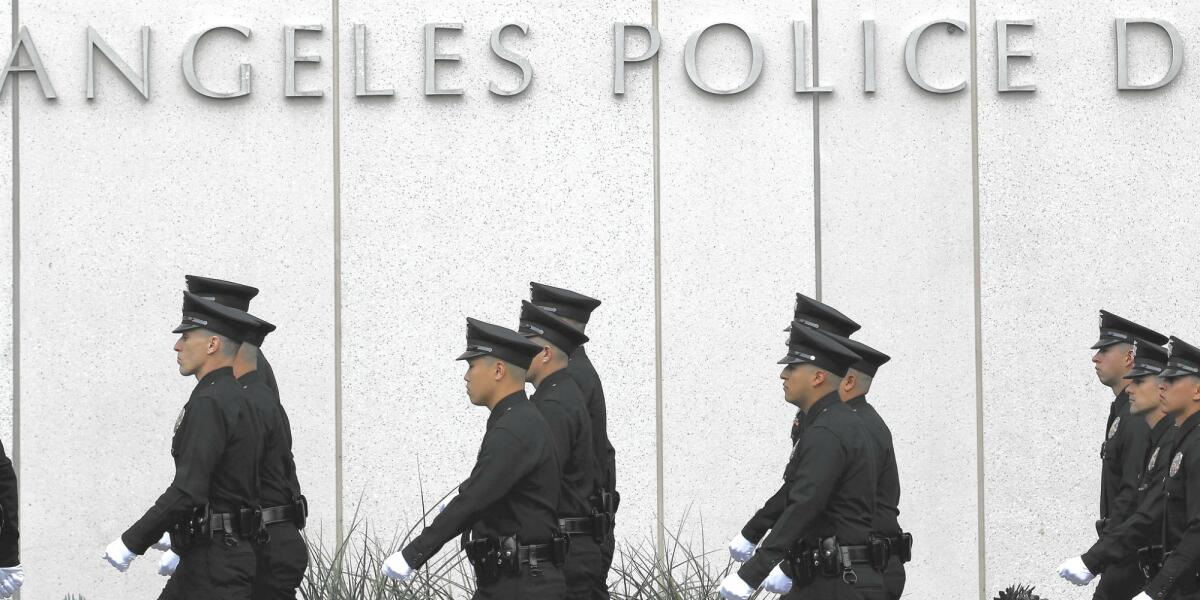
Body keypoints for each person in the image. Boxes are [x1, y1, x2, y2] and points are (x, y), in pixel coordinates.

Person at [382, 318, 567, 599]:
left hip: (521, 586)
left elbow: (473, 502)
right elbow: (495, 484)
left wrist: (411, 555)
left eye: (471, 366)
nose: (466, 376)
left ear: (499, 370)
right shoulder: (518, 419)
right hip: (517, 581)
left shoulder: (514, 428)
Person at [102, 292, 264, 600]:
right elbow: (226, 484)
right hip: (222, 555)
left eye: (186, 337)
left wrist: (131, 542)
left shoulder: (210, 402)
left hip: (213, 564)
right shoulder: (240, 398)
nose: (177, 346)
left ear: (212, 344)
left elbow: (189, 489)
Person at [718, 323, 881, 600]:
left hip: (837, 583)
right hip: (833, 576)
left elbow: (804, 505)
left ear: (817, 377)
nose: (783, 374)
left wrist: (751, 574)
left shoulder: (828, 431)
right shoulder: (833, 423)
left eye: (792, 367)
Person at [519, 301, 605, 598]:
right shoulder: (563, 383)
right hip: (577, 539)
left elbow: (543, 471)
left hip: (570, 544)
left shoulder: (564, 387)